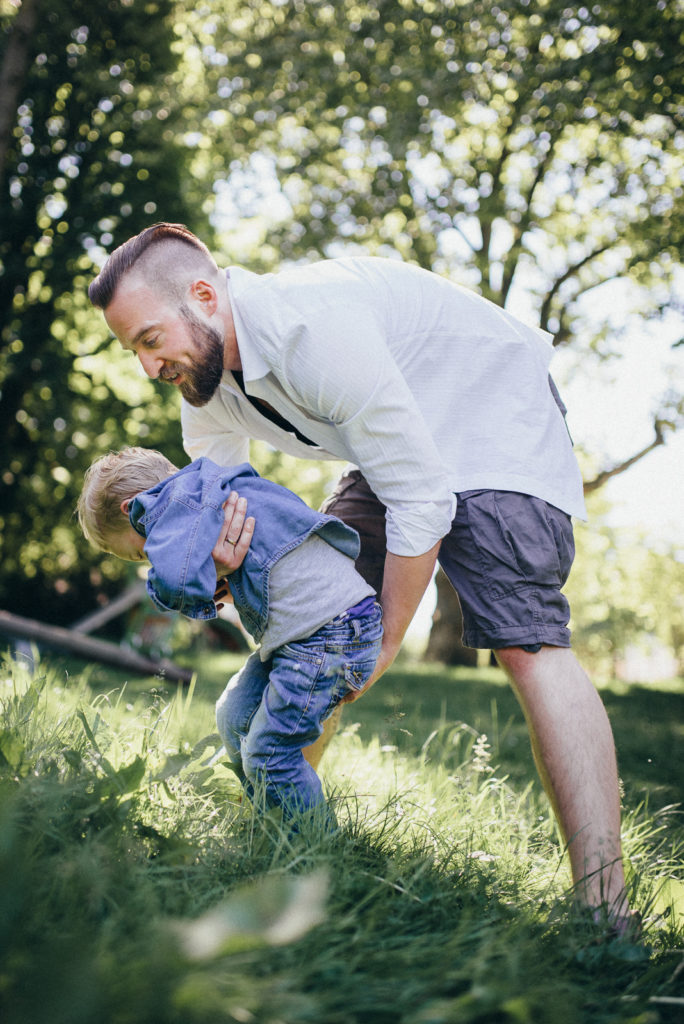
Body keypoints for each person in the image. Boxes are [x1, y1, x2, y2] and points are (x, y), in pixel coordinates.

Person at [88, 222, 632, 929]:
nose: (146, 365)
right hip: (394, 441)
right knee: (312, 623)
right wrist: (219, 575)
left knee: (526, 646)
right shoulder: (207, 383)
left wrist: (384, 643)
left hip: (490, 417)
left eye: (150, 339)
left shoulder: (311, 330)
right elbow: (220, 518)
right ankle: (286, 850)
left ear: (202, 296)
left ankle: (606, 912)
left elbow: (422, 496)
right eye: (134, 349)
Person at [77, 446, 383, 821]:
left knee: (270, 754)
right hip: (313, 634)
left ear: (133, 509)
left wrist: (178, 585)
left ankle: (319, 852)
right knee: (233, 714)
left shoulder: (172, 509)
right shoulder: (210, 488)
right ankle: (268, 821)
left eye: (141, 555)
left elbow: (175, 584)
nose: (152, 558)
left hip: (329, 634)